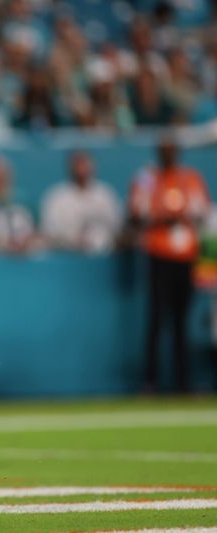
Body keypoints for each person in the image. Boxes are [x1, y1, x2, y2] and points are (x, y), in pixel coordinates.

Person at [128, 138, 209, 393]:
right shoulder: (147, 178)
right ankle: (151, 382)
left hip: (185, 257)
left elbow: (201, 210)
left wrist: (180, 215)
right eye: (164, 150)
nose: (168, 154)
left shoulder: (190, 178)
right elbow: (136, 212)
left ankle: (182, 383)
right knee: (156, 320)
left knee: (181, 322)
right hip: (158, 254)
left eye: (171, 149)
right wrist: (162, 217)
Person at [41, 151, 122, 253]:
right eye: (77, 164)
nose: (81, 169)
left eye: (85, 163)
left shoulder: (105, 195)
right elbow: (49, 232)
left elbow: (116, 228)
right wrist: (72, 241)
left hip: (102, 258)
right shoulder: (57, 197)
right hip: (67, 257)